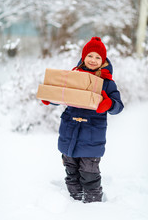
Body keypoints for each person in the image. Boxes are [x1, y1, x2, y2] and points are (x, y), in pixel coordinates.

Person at [42, 37, 124, 203]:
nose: (93, 60)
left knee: (89, 173)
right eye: (90, 56)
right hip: (69, 131)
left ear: (103, 61)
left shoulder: (107, 83)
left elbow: (118, 106)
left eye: (97, 57)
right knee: (71, 170)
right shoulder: (73, 76)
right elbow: (62, 93)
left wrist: (108, 103)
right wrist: (51, 98)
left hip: (91, 135)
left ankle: (93, 206)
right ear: (83, 57)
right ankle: (75, 201)